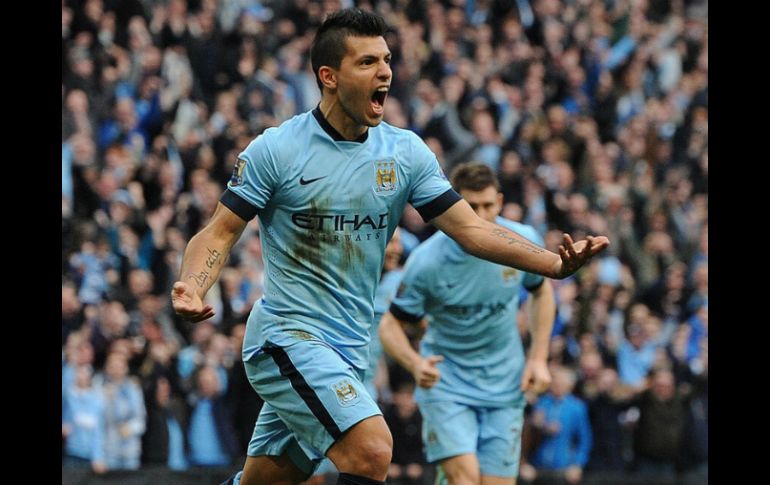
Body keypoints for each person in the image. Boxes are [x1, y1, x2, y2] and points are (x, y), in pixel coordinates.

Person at [171, 8, 609, 485]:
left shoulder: (405, 153)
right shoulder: (277, 150)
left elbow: (472, 229)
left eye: (386, 60)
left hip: (348, 351)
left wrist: (552, 263)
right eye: (367, 62)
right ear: (329, 76)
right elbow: (219, 232)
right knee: (372, 450)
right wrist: (194, 284)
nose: (385, 72)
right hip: (287, 340)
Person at [379, 162, 557, 485]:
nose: (481, 215)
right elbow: (390, 325)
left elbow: (541, 292)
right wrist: (415, 364)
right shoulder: (426, 262)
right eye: (471, 207)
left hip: (505, 384)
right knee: (464, 479)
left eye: (488, 205)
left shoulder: (523, 240)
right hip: (448, 385)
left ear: (500, 202)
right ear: (454, 206)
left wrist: (539, 357)